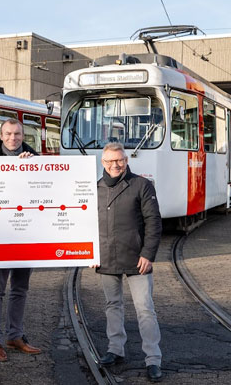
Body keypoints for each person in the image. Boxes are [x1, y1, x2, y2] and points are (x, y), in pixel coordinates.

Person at [92, 142, 163, 382]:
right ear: (103, 162)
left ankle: (153, 359)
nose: (115, 165)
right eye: (110, 161)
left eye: (119, 160)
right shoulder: (95, 188)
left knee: (145, 310)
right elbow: (86, 224)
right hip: (106, 258)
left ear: (126, 161)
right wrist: (89, 253)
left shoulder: (142, 185)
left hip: (137, 259)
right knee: (112, 305)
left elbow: (154, 222)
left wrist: (148, 254)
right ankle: (115, 350)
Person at [0, 118, 42, 361]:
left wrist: (30, 169)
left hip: (25, 233)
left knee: (20, 288)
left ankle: (15, 335)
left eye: (17, 134)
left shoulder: (34, 159)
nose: (12, 138)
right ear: (0, 135)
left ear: (22, 135)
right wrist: (12, 169)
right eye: (8, 134)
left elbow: (42, 192)